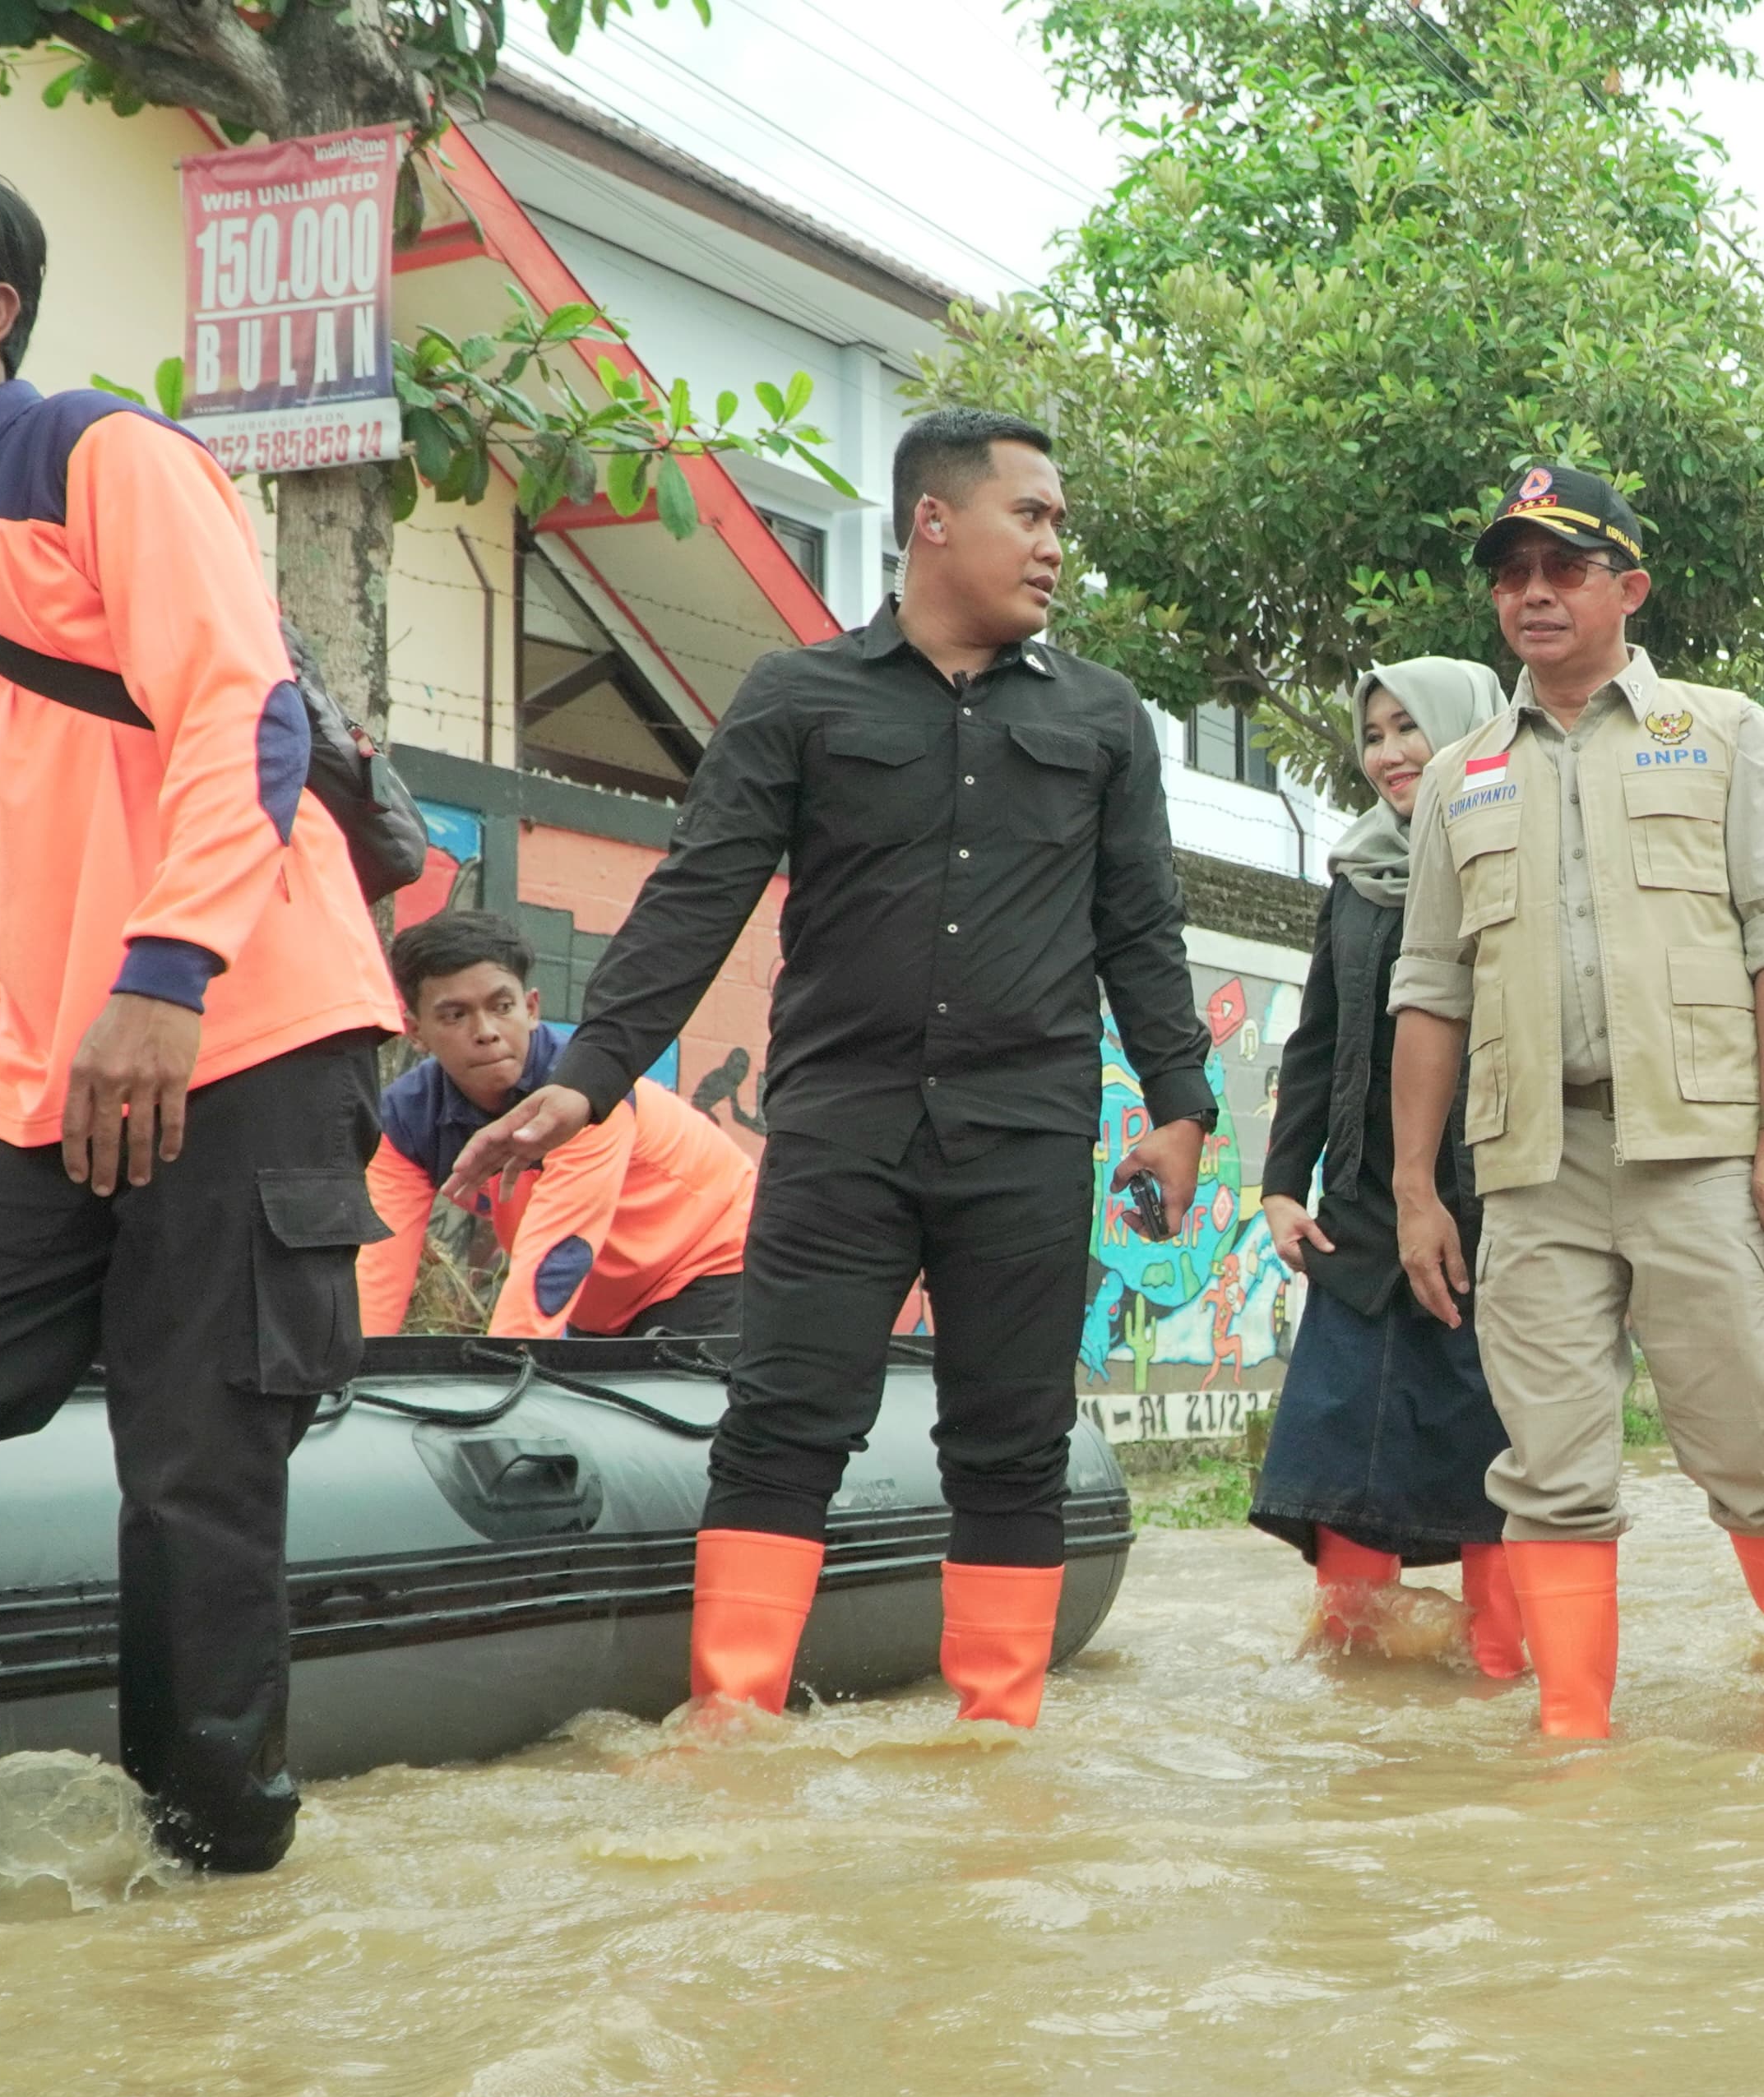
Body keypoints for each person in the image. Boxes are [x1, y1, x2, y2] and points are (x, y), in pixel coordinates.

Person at [0, 138, 401, 1872]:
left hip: (237, 1023)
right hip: (53, 1064)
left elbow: (243, 714)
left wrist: (166, 974)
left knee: (192, 1474)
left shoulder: (102, 453)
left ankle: (213, 1876)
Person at [440, 408, 1213, 1730]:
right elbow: (699, 894)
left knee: (1011, 1443)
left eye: (1057, 525)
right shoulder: (800, 698)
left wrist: (1180, 1106)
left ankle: (997, 1751)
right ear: (933, 520)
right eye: (1030, 516)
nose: (1051, 548)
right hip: (840, 1130)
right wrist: (593, 1074)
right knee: (785, 1422)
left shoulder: (1102, 718)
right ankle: (732, 1734)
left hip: (1025, 1132)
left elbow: (1136, 924)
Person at [1384, 461, 1764, 1737]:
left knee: (1748, 1425)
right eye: (1511, 573)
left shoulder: (1726, 730)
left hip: (1699, 1144)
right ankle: (1573, 1741)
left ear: (1628, 588)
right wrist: (1418, 1189)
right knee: (1548, 1464)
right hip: (1533, 1157)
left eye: (1562, 568)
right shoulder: (1460, 772)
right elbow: (1430, 986)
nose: (1532, 593)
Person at [1249, 657, 1525, 1674]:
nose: (1390, 754)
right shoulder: (1357, 878)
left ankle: (1505, 1669)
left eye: (1410, 728)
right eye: (1373, 735)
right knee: (1339, 1448)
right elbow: (1315, 1040)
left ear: (1467, 731)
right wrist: (1282, 1183)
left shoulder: (1525, 857)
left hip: (1493, 1205)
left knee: (1494, 1451)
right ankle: (1360, 1686)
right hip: (1361, 1213)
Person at [362, 910, 752, 1342]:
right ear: (416, 1032)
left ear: (531, 1008)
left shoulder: (585, 1093)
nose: (487, 1031)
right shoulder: (404, 1122)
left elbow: (556, 1255)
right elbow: (375, 1277)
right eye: (455, 1016)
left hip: (715, 1259)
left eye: (502, 1006)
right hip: (604, 1304)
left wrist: (503, 1379)